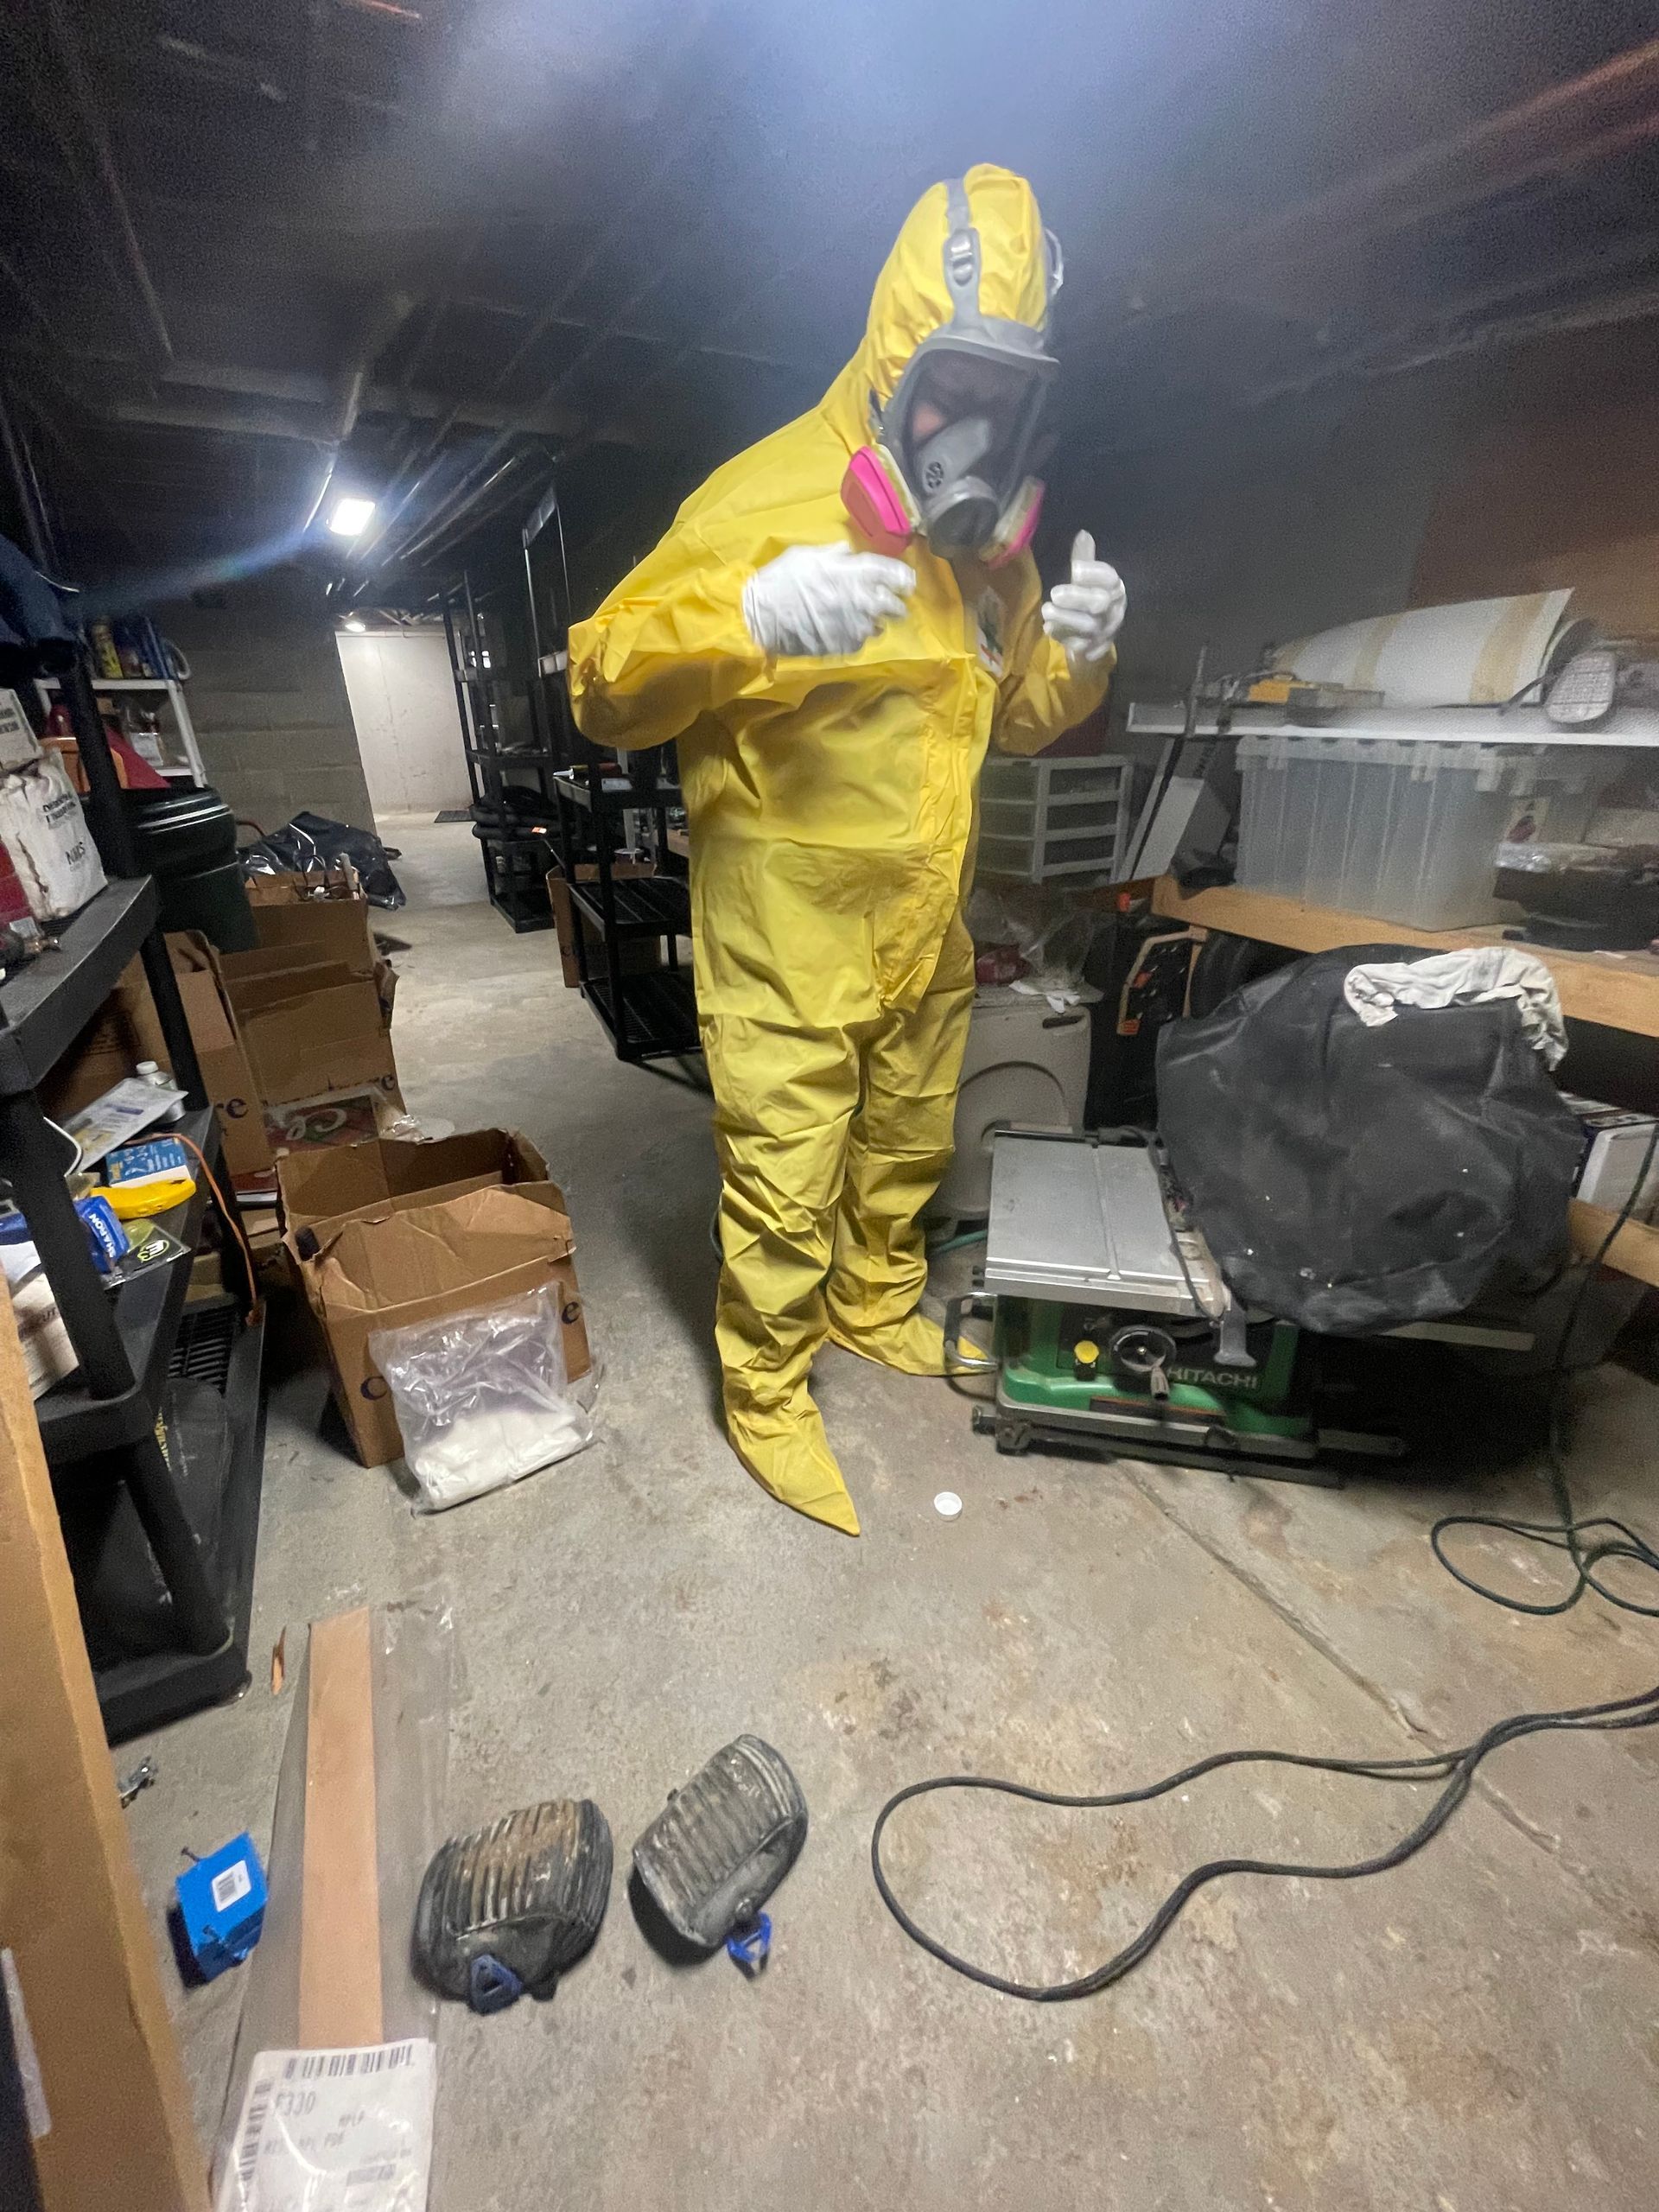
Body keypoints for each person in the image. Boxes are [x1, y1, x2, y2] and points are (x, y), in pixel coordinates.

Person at [569, 163, 1126, 1535]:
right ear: (895, 354)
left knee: (905, 1142)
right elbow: (600, 683)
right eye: (952, 389)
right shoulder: (760, 503)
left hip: (921, 922)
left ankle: (877, 1308)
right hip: (788, 930)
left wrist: (1085, 652)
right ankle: (764, 1391)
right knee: (786, 1172)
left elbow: (1022, 718)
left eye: (1006, 401)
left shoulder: (987, 554)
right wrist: (745, 616)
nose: (971, 433)